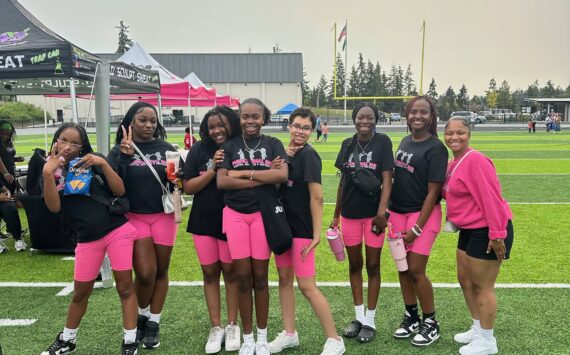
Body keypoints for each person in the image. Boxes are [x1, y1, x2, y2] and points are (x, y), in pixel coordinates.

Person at [41, 123, 139, 355]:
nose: (68, 147)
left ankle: (130, 340)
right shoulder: (50, 168)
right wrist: (47, 173)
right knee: (80, 293)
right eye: (64, 140)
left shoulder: (92, 160)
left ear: (83, 145)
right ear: (56, 140)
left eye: (75, 143)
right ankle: (68, 340)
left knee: (125, 288)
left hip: (116, 230)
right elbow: (54, 208)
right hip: (86, 239)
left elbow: (119, 190)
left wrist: (103, 163)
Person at [268, 107, 345, 355]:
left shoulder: (310, 156)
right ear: (289, 126)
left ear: (312, 131)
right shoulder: (282, 152)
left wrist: (316, 234)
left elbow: (317, 197)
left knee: (307, 285)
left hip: (301, 229)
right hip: (282, 227)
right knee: (283, 280)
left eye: (306, 128)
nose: (300, 131)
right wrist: (276, 163)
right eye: (296, 126)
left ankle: (335, 339)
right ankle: (290, 334)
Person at [216, 98, 289, 355]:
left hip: (262, 215)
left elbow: (281, 176)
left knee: (260, 277)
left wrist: (242, 174)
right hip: (235, 215)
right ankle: (247, 339)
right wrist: (260, 177)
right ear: (239, 118)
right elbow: (222, 182)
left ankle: (261, 338)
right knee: (242, 279)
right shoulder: (230, 145)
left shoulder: (273, 144)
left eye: (255, 116)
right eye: (245, 116)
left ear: (264, 118)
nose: (250, 121)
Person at [108, 102, 179, 349]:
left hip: (164, 216)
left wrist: (176, 179)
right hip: (134, 217)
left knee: (161, 270)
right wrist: (124, 157)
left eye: (153, 121)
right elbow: (112, 184)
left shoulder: (166, 149)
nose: (149, 125)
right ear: (130, 122)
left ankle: (153, 322)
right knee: (146, 272)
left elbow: (174, 184)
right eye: (142, 120)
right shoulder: (120, 150)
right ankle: (141, 314)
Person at [442, 117, 514, 355]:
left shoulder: (477, 161)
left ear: (469, 134)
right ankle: (477, 327)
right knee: (465, 280)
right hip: (469, 229)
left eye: (460, 132)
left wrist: (496, 234)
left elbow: (491, 199)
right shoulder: (454, 162)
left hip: (488, 230)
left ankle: (487, 341)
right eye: (450, 133)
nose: (455, 137)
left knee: (483, 286)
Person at [330, 102, 394, 344]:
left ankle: (371, 319)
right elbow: (343, 182)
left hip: (374, 216)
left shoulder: (383, 142)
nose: (364, 121)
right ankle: (358, 317)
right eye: (360, 117)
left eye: (369, 117)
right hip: (350, 214)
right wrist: (336, 214)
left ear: (375, 120)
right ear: (354, 119)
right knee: (355, 265)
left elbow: (387, 179)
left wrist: (382, 212)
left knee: (373, 265)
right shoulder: (347, 144)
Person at [182, 106, 242, 354]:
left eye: (221, 125)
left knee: (231, 273)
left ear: (231, 124)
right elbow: (188, 187)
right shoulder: (199, 149)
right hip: (204, 220)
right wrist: (211, 169)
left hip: (232, 219)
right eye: (211, 126)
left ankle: (232, 325)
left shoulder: (241, 146)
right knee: (209, 273)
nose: (217, 130)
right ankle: (216, 326)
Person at [390, 96, 448, 347]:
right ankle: (411, 315)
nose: (418, 116)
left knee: (415, 269)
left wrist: (417, 228)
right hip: (397, 213)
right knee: (402, 268)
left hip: (422, 215)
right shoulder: (405, 140)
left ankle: (431, 321)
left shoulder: (436, 148)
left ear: (431, 117)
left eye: (423, 112)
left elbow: (433, 192)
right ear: (407, 115)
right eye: (414, 112)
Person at [0, 120, 25, 251]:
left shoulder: (8, 143)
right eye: (2, 133)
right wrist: (4, 174)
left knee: (10, 200)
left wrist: (16, 159)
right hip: (3, 177)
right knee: (5, 201)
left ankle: (12, 229)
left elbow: (7, 158)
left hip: (10, 175)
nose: (5, 135)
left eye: (7, 133)